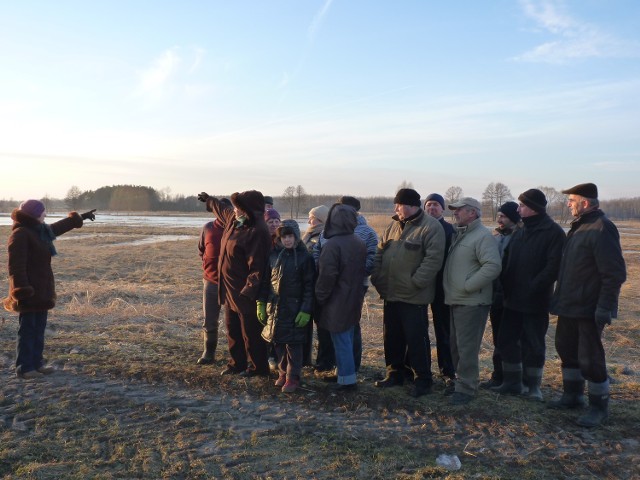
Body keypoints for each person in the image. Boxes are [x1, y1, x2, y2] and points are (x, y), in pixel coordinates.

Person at [549, 183, 626, 428]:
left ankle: (598, 406)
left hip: (589, 308)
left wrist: (604, 307)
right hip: (569, 305)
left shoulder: (602, 228)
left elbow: (613, 274)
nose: (568, 204)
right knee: (565, 348)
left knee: (590, 358)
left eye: (571, 200)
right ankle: (572, 395)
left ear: (584, 203)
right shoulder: (579, 227)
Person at [4, 200, 96, 379]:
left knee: (39, 329)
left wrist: (79, 218)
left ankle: (37, 364)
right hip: (28, 292)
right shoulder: (21, 234)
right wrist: (22, 289)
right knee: (28, 330)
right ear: (34, 214)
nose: (45, 214)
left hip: (42, 291)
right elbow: (16, 267)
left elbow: (56, 228)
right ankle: (24, 368)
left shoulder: (39, 230)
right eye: (43, 212)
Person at [371, 188, 445, 398]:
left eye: (399, 205)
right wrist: (377, 277)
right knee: (392, 336)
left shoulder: (431, 227)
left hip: (414, 296)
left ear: (412, 205)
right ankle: (395, 373)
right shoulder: (394, 225)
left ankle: (423, 379)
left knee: (416, 338)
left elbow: (433, 260)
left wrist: (415, 283)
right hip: (390, 293)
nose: (396, 208)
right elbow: (379, 251)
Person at [492, 189, 565, 401]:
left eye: (522, 205)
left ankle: (533, 386)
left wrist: (533, 287)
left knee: (534, 344)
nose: (518, 209)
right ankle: (512, 383)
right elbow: (507, 259)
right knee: (506, 340)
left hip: (535, 301)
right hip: (512, 299)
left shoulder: (553, 232)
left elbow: (553, 267)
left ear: (533, 208)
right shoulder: (521, 231)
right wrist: (504, 284)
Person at [198, 190, 272, 377]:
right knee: (233, 330)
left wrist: (248, 290)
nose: (236, 210)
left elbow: (258, 267)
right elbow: (221, 209)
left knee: (251, 333)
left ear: (251, 209)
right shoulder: (234, 221)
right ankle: (237, 364)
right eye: (236, 207)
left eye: (240, 207)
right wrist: (209, 200)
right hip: (229, 290)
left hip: (245, 293)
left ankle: (258, 368)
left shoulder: (257, 231)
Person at [443, 197, 501, 405]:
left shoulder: (482, 236)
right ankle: (460, 382)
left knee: (467, 347)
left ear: (473, 213)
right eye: (455, 210)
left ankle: (467, 388)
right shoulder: (462, 234)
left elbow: (492, 266)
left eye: (460, 210)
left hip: (472, 301)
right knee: (456, 345)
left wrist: (468, 285)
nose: (455, 213)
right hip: (457, 299)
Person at [258, 219, 315, 393]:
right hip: (275, 307)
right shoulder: (274, 256)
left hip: (295, 308)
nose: (287, 240)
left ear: (296, 237)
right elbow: (266, 282)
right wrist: (261, 303)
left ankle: (293, 377)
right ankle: (283, 373)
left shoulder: (305, 258)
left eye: (290, 236)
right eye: (284, 237)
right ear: (279, 238)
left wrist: (305, 310)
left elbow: (309, 287)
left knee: (294, 346)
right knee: (279, 343)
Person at [315, 203, 366, 392]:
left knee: (341, 339)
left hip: (337, 299)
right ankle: (345, 374)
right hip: (353, 297)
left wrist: (320, 297)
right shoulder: (358, 241)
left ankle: (347, 380)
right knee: (347, 337)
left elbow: (327, 276)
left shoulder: (333, 245)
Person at [481, 201, 521, 389]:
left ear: (513, 218)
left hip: (513, 295)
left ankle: (513, 378)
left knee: (510, 339)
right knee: (498, 337)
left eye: (503, 216)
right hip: (495, 294)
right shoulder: (494, 235)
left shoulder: (521, 236)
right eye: (498, 216)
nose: (499, 219)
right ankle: (498, 376)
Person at [423, 193, 456, 385]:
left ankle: (448, 371)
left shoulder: (450, 230)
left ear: (442, 208)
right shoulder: (419, 228)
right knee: (418, 329)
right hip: (420, 287)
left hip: (442, 288)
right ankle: (420, 368)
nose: (432, 208)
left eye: (436, 205)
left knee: (444, 331)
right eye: (428, 204)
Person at [196, 198, 232, 365]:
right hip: (211, 281)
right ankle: (208, 352)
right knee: (209, 319)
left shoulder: (236, 228)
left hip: (232, 283)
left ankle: (238, 355)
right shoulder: (208, 228)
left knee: (234, 321)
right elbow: (202, 249)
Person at [300, 204, 329, 367]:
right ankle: (304, 359)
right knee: (305, 324)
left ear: (319, 220)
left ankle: (324, 361)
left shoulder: (323, 236)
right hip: (307, 285)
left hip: (318, 286)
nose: (309, 220)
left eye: (311, 217)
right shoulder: (308, 234)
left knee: (322, 325)